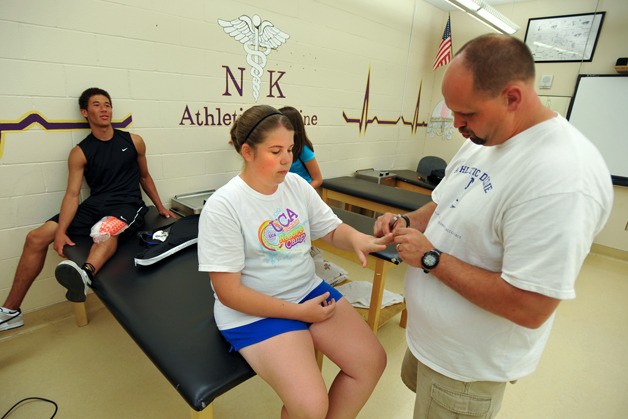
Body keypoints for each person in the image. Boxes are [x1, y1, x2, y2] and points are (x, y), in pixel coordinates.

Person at [374, 34, 613, 418]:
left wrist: (431, 259)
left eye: (465, 115)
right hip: (432, 342)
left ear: (512, 98)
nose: (457, 125)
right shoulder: (485, 138)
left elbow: (529, 306)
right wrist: (404, 221)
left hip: (468, 368)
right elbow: (444, 203)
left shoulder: (563, 179)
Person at [198, 104, 388, 418]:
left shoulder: (296, 186)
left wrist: (358, 238)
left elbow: (330, 229)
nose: (287, 159)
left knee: (370, 362)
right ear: (247, 151)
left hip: (306, 291)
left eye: (289, 148)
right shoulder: (224, 206)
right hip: (251, 311)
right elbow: (230, 292)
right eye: (275, 151)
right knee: (310, 406)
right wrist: (299, 313)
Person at [0, 87, 176, 331]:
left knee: (104, 231)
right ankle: (10, 311)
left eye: (107, 104)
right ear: (85, 112)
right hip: (94, 204)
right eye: (96, 105)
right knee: (35, 238)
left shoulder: (133, 141)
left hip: (127, 204)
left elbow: (145, 177)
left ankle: (84, 276)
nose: (104, 109)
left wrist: (160, 207)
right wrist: (61, 231)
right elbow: (72, 195)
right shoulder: (80, 152)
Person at [279, 106, 323, 188]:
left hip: (300, 192)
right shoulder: (278, 146)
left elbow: (318, 180)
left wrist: (302, 194)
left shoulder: (303, 149)